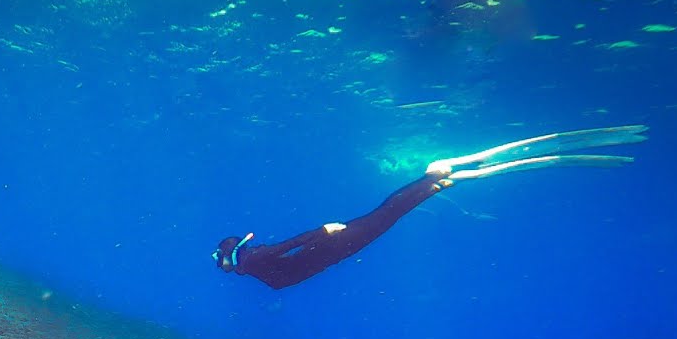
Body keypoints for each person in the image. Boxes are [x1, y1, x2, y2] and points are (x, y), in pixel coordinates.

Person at [212, 125, 649, 290]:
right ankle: (435, 178)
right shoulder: (250, 261)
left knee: (388, 213)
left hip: (337, 248)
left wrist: (320, 240)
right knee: (387, 211)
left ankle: (437, 179)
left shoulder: (251, 265)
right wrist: (319, 236)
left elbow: (279, 258)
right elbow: (276, 253)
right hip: (334, 246)